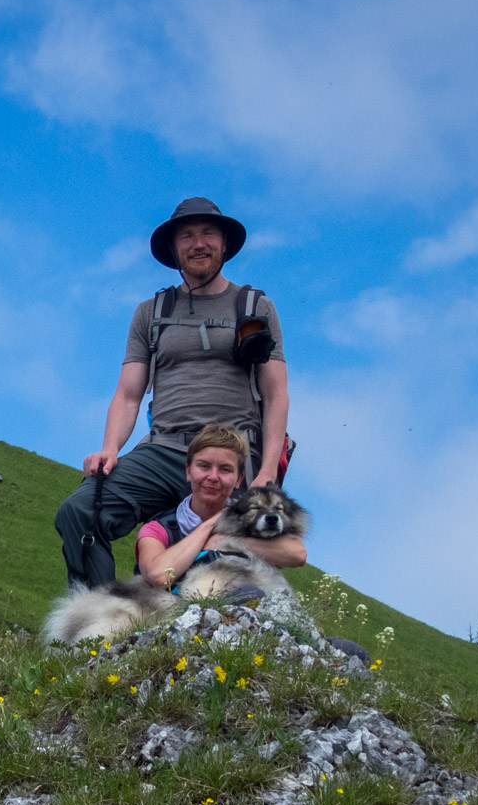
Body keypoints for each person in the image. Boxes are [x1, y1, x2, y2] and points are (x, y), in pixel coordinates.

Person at [55, 197, 291, 587]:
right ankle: (98, 624)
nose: (198, 243)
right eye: (187, 236)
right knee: (80, 511)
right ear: (173, 248)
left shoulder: (254, 306)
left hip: (233, 454)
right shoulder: (152, 312)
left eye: (208, 234)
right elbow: (129, 393)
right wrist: (110, 448)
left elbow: (276, 393)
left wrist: (266, 471)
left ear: (224, 244)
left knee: (227, 548)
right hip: (164, 448)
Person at [133, 423, 304, 590]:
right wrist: (209, 527)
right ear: (188, 471)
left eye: (225, 469)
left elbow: (297, 554)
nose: (213, 477)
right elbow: (158, 576)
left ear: (239, 479)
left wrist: (223, 541)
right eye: (204, 466)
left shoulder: (249, 520)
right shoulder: (158, 529)